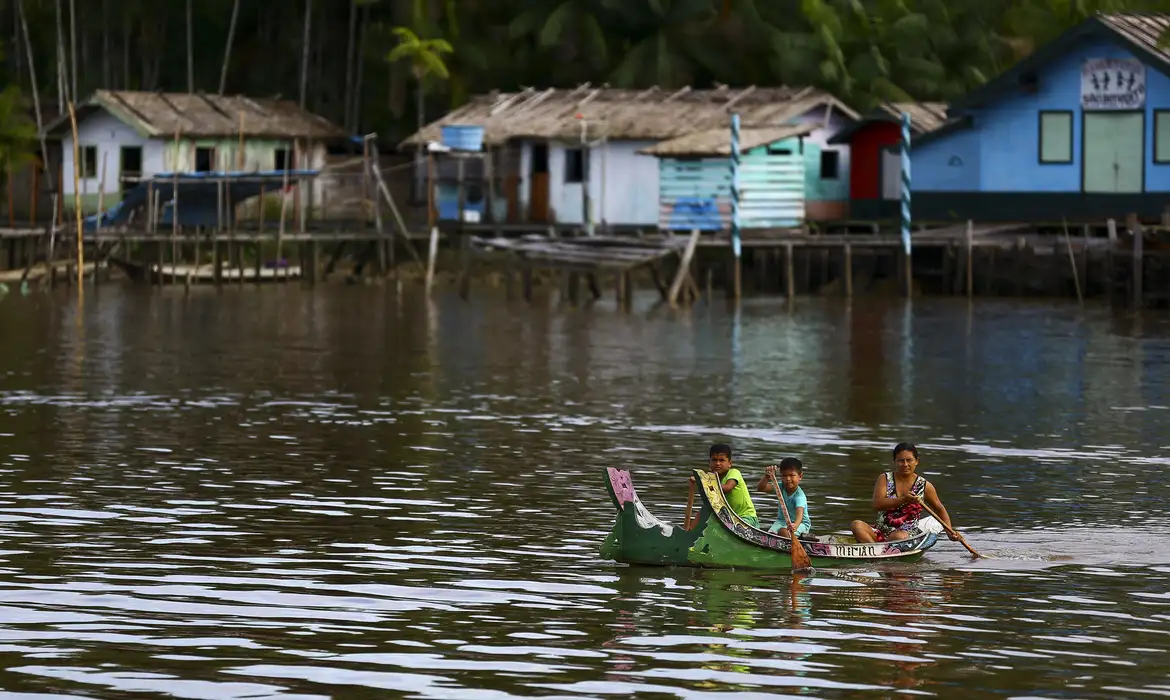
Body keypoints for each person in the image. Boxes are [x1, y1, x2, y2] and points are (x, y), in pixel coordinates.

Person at [850, 442, 958, 543]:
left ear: (917, 461)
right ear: (894, 461)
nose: (905, 464)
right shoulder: (884, 478)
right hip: (881, 531)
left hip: (906, 535)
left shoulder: (924, 486)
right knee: (856, 525)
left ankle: (879, 550)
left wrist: (949, 532)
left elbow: (939, 509)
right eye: (901, 461)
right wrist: (903, 500)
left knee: (898, 537)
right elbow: (877, 504)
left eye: (909, 460)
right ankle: (875, 549)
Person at [690, 443, 759, 527]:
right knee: (705, 508)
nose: (717, 463)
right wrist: (699, 481)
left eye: (722, 460)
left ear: (730, 463)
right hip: (729, 519)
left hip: (746, 518)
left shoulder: (734, 472)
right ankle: (689, 531)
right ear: (709, 463)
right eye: (714, 460)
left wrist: (702, 482)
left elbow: (727, 488)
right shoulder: (711, 478)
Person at [756, 457, 812, 539]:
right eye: (784, 476)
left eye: (791, 475)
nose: (788, 479)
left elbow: (799, 515)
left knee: (783, 532)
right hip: (781, 521)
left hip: (800, 524)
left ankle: (794, 540)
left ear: (800, 476)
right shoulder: (780, 487)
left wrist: (795, 526)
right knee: (770, 535)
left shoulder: (799, 496)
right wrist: (767, 476)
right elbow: (761, 488)